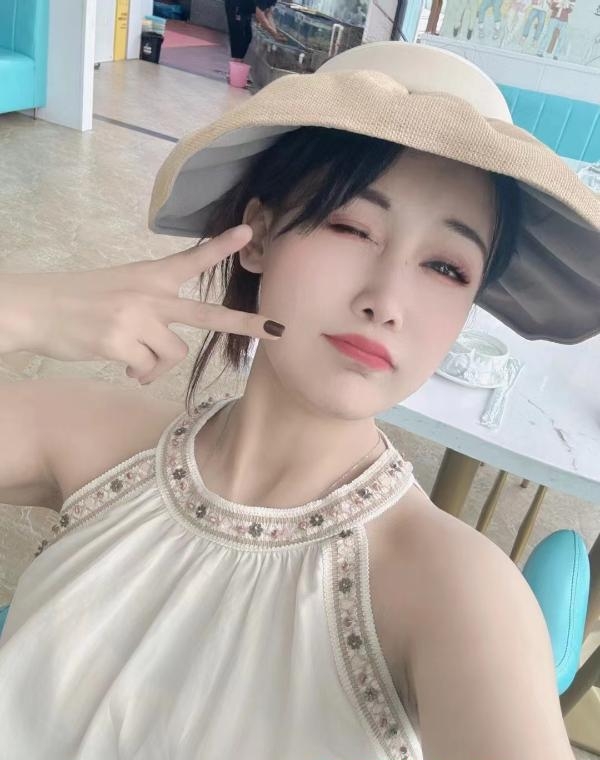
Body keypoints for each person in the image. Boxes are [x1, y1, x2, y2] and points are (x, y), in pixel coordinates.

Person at [0, 41, 598, 760]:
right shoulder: (98, 442)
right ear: (257, 237)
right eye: (352, 227)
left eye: (445, 267)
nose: (386, 301)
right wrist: (25, 309)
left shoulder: (456, 593)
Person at [224, 0, 284, 66]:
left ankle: (238, 62)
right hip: (235, 4)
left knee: (248, 36)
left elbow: (268, 14)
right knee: (239, 36)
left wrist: (275, 33)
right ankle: (235, 63)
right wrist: (274, 34)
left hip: (246, 9)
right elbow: (260, 16)